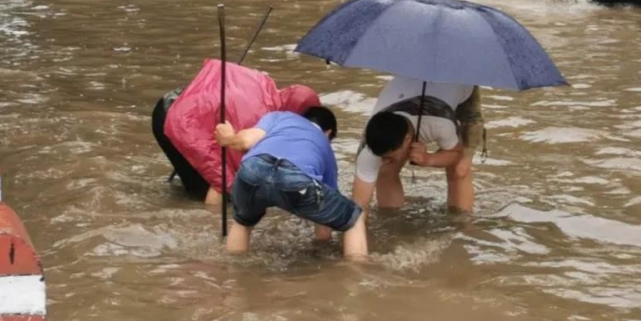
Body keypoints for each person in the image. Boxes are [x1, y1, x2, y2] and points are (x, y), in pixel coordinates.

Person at [151, 61, 321, 205]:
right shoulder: (261, 121)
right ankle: (208, 223)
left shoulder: (263, 81)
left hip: (176, 98)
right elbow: (228, 171)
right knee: (225, 184)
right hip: (176, 119)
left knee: (198, 179)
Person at [215, 108, 368, 259]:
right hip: (295, 178)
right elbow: (324, 229)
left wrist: (228, 138)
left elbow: (245, 142)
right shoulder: (325, 147)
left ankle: (232, 275)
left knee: (242, 223)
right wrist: (321, 250)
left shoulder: (278, 117)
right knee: (354, 219)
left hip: (253, 168)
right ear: (328, 133)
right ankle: (356, 276)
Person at [351, 77, 484, 214]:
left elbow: (456, 154)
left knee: (459, 169)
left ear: (408, 140)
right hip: (407, 86)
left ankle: (460, 225)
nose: (383, 160)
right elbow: (358, 207)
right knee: (385, 170)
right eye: (381, 156)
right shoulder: (368, 148)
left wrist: (428, 159)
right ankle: (392, 221)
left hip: (461, 85)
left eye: (388, 156)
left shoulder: (441, 124)